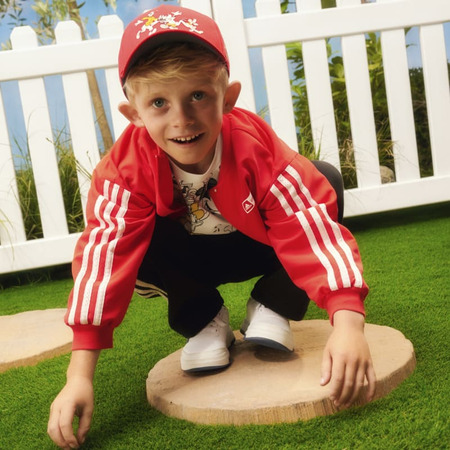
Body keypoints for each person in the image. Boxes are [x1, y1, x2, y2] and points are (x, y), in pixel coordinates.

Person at [47, 5, 376, 448]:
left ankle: (272, 305)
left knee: (322, 181)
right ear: (133, 113)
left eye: (198, 95)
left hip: (258, 244)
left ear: (229, 97)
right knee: (129, 238)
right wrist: (78, 377)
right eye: (159, 103)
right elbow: (103, 263)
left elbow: (308, 222)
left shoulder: (255, 147)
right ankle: (204, 319)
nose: (182, 118)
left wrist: (349, 323)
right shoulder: (123, 172)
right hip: (188, 263)